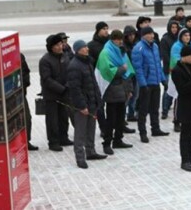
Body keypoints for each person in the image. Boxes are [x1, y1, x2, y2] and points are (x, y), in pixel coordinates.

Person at [68, 40, 108, 169]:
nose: (86, 48)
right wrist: (81, 106)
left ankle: (91, 152)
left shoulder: (87, 62)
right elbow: (75, 89)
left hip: (92, 102)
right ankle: (80, 157)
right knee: (80, 132)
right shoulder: (74, 66)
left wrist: (98, 99)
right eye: (83, 47)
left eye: (86, 46)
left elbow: (94, 83)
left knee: (91, 129)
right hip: (83, 105)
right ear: (77, 50)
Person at [96, 30, 135, 155]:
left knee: (120, 119)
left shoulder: (121, 51)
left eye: (120, 39)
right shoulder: (105, 52)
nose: (119, 41)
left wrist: (129, 89)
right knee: (111, 119)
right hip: (112, 91)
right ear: (111, 39)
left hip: (122, 90)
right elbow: (107, 71)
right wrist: (121, 69)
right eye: (116, 39)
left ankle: (118, 140)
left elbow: (128, 71)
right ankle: (107, 143)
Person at [131, 26, 169, 143]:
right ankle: (143, 132)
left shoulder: (155, 47)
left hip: (155, 82)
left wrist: (163, 79)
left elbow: (158, 65)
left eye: (152, 34)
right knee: (143, 110)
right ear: (143, 35)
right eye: (149, 34)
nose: (152, 36)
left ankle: (155, 128)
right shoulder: (139, 48)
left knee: (155, 107)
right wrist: (143, 84)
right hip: (146, 84)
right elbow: (138, 69)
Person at [39, 34, 72, 151]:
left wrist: (67, 86)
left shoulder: (65, 57)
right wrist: (61, 88)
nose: (60, 46)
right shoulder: (45, 60)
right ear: (51, 47)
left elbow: (70, 73)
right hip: (51, 95)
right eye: (57, 45)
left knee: (64, 117)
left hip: (64, 93)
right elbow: (47, 79)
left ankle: (64, 137)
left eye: (61, 44)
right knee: (52, 120)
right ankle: (53, 142)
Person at [159, 21, 180, 120]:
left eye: (176, 27)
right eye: (172, 27)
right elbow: (165, 55)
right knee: (168, 90)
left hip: (179, 69)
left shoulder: (179, 39)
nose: (174, 29)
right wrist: (173, 64)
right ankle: (164, 110)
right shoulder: (165, 39)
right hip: (169, 69)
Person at [20, 53, 38, 151]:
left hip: (20, 93)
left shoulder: (19, 56)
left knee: (26, 118)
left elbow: (26, 72)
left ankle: (26, 141)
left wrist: (24, 84)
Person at [123, 25, 139, 122]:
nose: (131, 37)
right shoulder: (123, 47)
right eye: (129, 35)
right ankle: (123, 115)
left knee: (135, 94)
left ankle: (131, 113)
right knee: (127, 96)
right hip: (127, 74)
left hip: (135, 73)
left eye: (133, 34)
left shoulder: (136, 45)